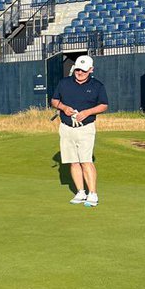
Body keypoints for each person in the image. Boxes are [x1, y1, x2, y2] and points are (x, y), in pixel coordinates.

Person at [50, 54, 109, 207]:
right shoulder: (64, 83)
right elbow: (54, 100)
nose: (80, 73)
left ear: (91, 69)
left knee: (86, 161)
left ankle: (93, 193)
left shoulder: (97, 86)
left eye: (83, 70)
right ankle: (80, 192)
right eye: (77, 70)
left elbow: (103, 105)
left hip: (85, 128)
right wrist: (64, 108)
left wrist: (87, 112)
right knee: (73, 162)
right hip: (66, 127)